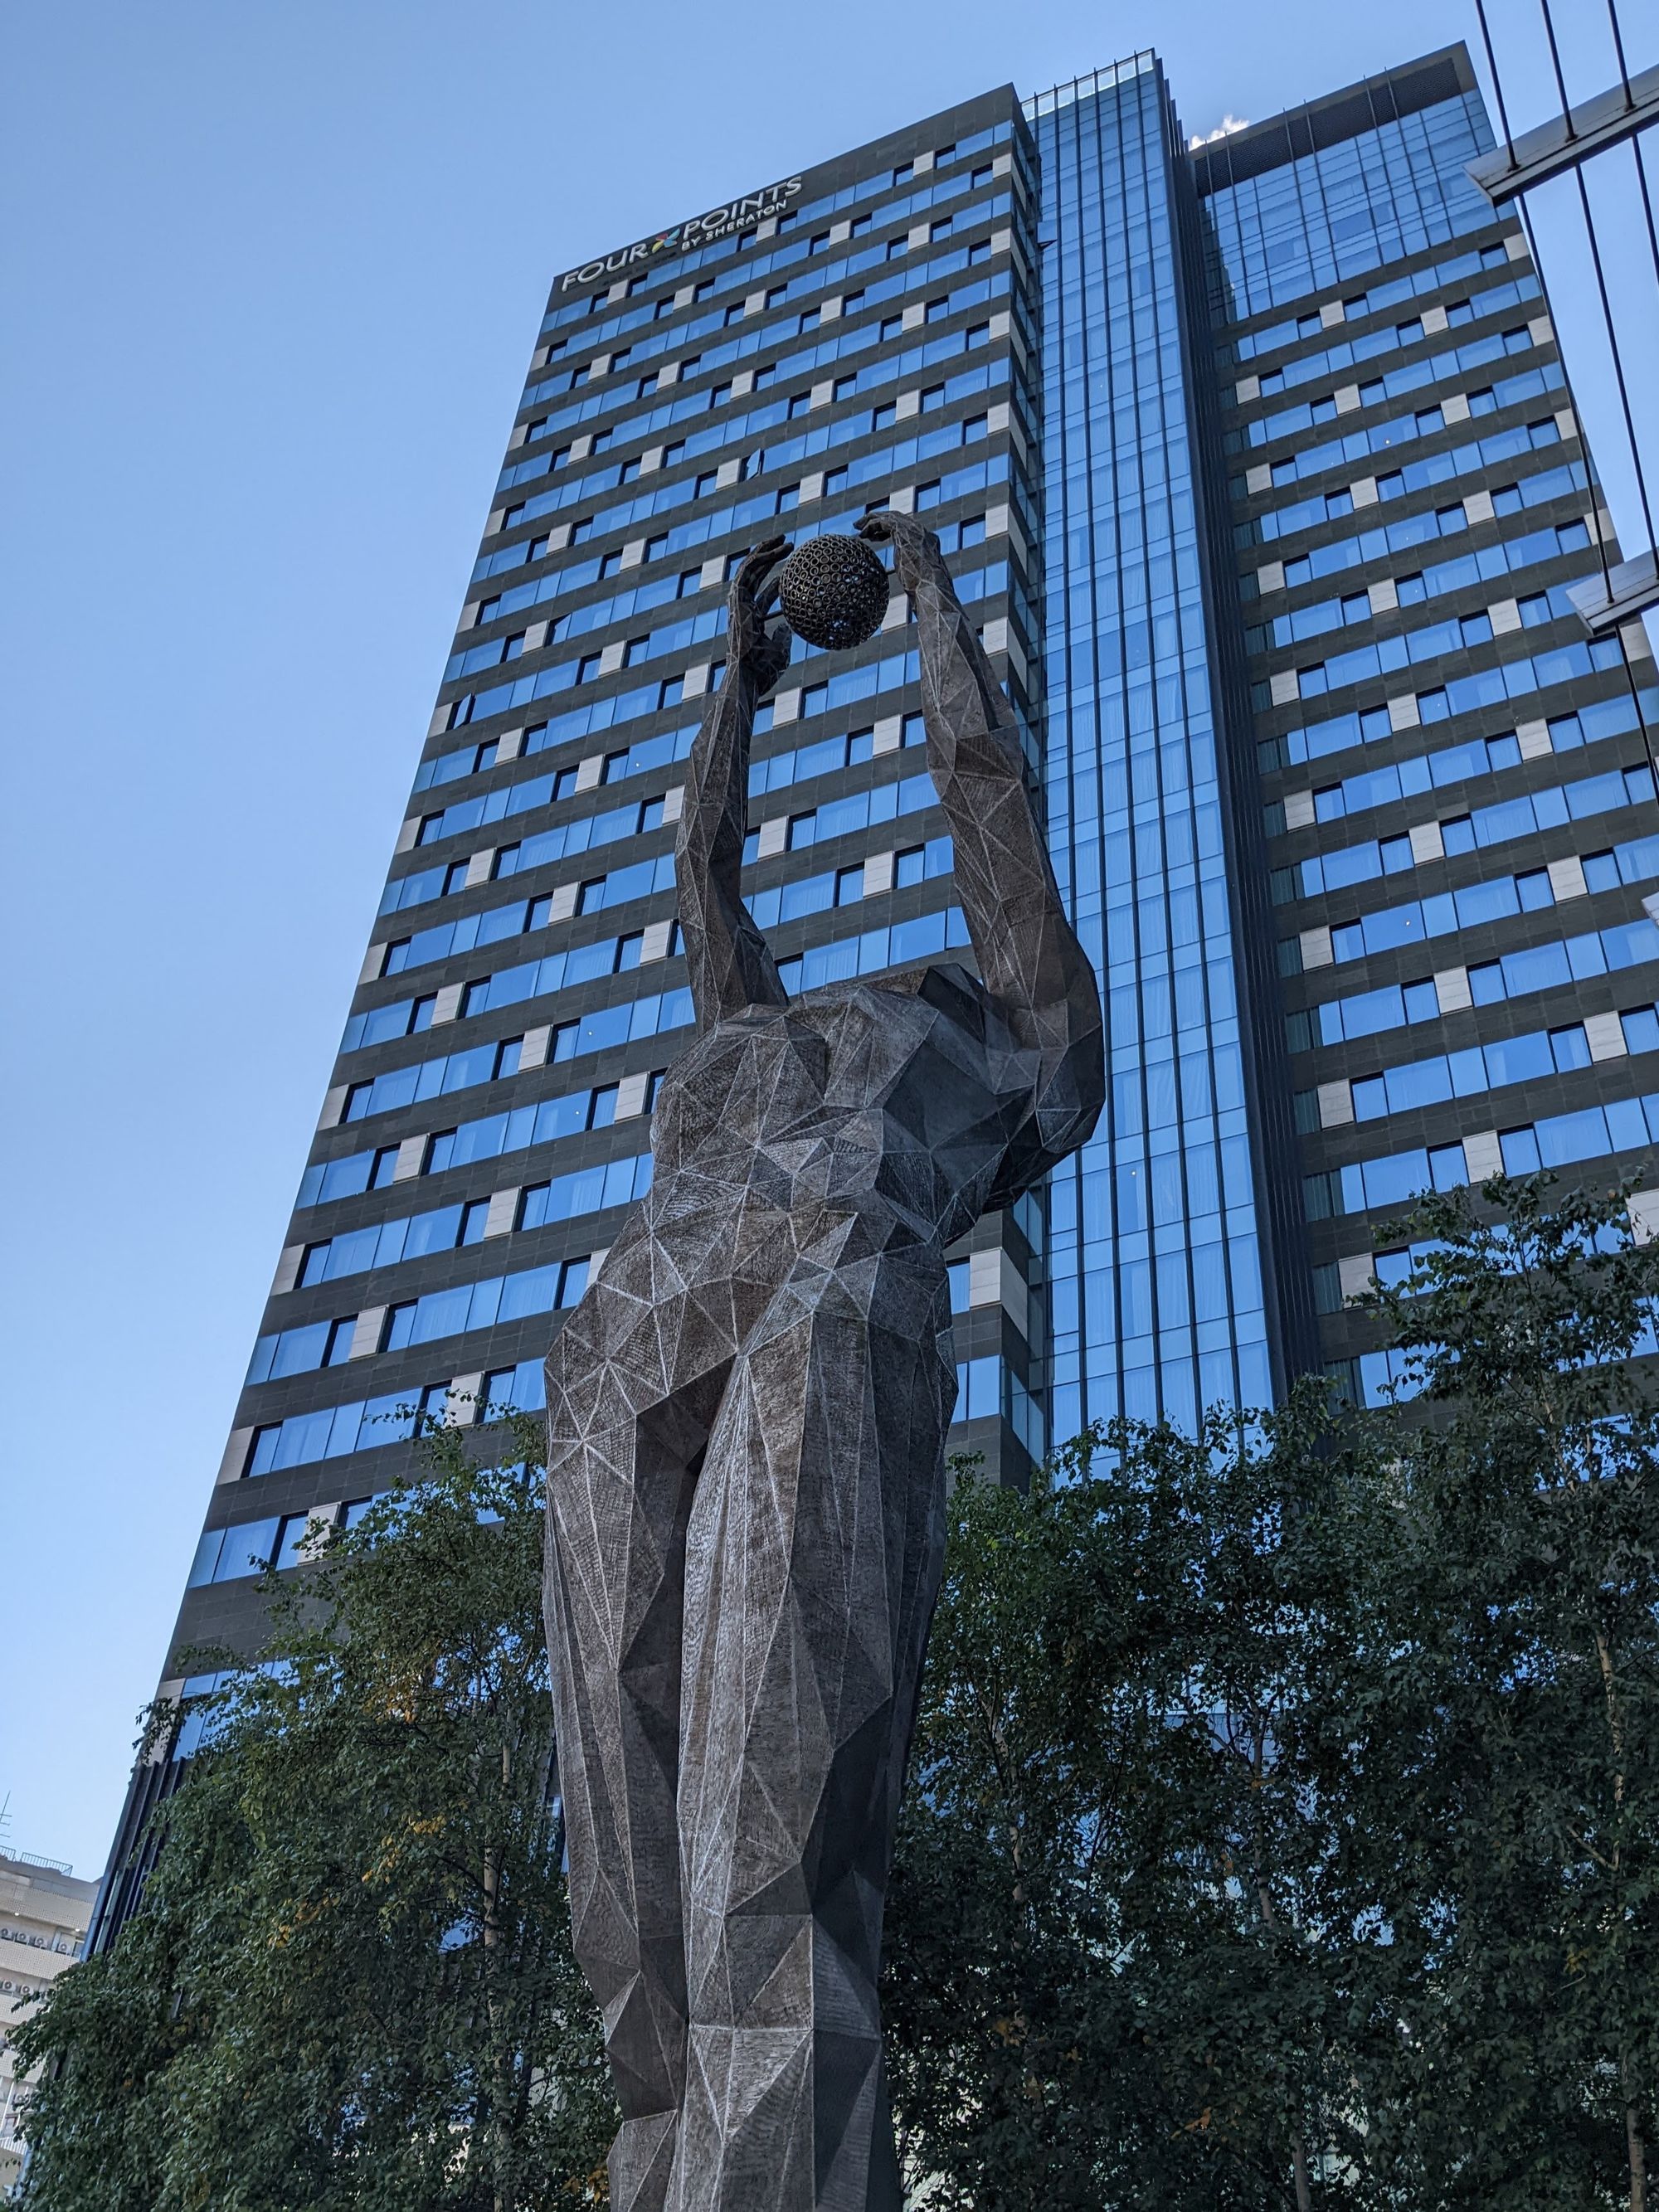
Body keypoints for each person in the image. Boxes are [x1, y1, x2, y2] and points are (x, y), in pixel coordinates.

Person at [542, 513, 1103, 2212]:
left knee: (770, 1877)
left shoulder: (1013, 1050)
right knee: (630, 1920)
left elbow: (991, 819)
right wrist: (738, 688)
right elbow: (701, 876)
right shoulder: (744, 1032)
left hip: (832, 1282)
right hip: (629, 1326)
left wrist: (934, 615)